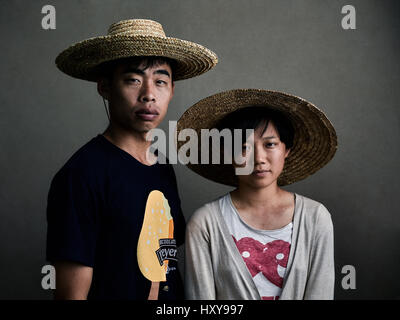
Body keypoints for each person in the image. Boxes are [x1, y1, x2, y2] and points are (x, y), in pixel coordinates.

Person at [46, 19, 218, 300]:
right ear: (105, 87)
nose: (149, 94)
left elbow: (169, 262)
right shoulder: (81, 175)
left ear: (172, 90)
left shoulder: (161, 166)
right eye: (133, 80)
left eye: (160, 81)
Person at [178, 89, 337, 300]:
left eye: (270, 144)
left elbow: (321, 292)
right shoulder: (205, 222)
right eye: (244, 147)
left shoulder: (315, 217)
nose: (259, 158)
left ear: (287, 149)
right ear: (227, 153)